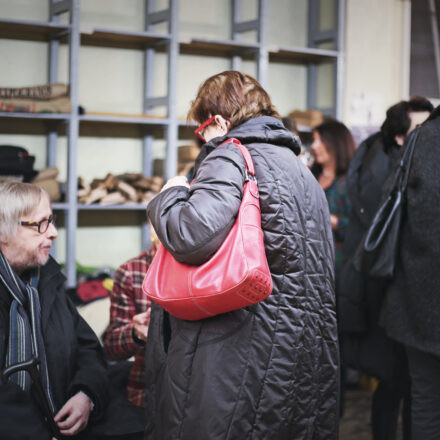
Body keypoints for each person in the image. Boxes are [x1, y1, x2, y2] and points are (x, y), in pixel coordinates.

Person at [144, 70, 339, 439]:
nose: (202, 138)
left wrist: (171, 192)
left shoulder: (230, 156)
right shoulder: (302, 172)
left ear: (218, 121)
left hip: (237, 349)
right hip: (295, 351)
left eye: (202, 129)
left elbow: (190, 233)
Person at [338, 96, 433, 440]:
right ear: (399, 137)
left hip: (391, 294)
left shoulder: (379, 159)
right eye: (421, 130)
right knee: (401, 384)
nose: (430, 136)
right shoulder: (389, 172)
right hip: (388, 293)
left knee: (403, 385)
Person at [0, 180, 107, 439]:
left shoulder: (47, 281)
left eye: (52, 220)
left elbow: (88, 349)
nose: (54, 232)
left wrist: (86, 395)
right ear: (4, 230)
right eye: (40, 224)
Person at [380, 105, 440, 439]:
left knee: (426, 402)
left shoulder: (419, 139)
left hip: (418, 298)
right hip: (418, 298)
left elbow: (389, 204)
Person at [103, 243, 157, 407]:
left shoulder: (211, 267)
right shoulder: (131, 272)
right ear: (152, 229)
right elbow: (112, 346)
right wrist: (135, 333)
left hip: (199, 398)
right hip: (147, 395)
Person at [311, 119, 355, 280]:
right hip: (310, 263)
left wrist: (335, 222)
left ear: (336, 144)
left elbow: (360, 226)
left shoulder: (350, 182)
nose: (314, 146)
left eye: (320, 140)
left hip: (337, 268)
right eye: (314, 140)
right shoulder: (310, 177)